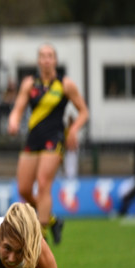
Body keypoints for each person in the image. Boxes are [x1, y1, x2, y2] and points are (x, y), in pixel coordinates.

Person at [7, 43, 89, 244]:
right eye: (42, 56)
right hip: (33, 139)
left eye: (49, 56)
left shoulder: (65, 85)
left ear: (55, 60)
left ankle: (40, 236)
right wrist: (14, 121)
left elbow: (84, 112)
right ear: (38, 60)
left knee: (43, 184)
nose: (46, 59)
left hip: (54, 140)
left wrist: (74, 130)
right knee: (25, 189)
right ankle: (53, 220)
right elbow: (18, 108)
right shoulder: (30, 84)